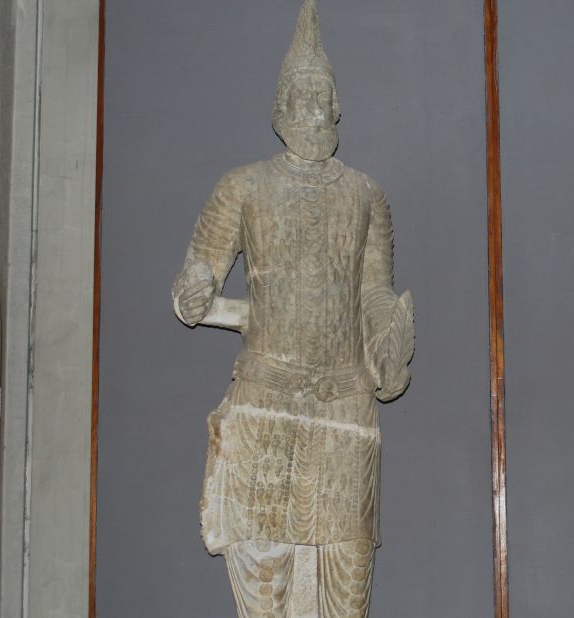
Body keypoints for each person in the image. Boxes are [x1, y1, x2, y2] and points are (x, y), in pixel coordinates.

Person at [172, 2, 412, 615]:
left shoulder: (366, 196)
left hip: (344, 399)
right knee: (265, 576)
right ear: (280, 110)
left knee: (348, 570)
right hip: (265, 394)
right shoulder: (243, 186)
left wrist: (390, 344)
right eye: (300, 97)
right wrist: (198, 291)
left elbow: (374, 292)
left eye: (321, 97)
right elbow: (198, 273)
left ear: (336, 109)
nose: (312, 109)